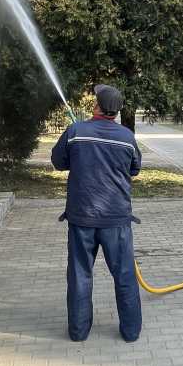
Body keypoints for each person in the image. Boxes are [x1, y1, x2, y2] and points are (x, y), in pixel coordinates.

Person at [51, 84, 143, 342]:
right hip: (116, 220)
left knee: (80, 275)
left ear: (96, 107)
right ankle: (131, 332)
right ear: (116, 111)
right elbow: (134, 169)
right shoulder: (127, 136)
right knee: (124, 275)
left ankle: (78, 332)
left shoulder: (76, 132)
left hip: (82, 219)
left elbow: (58, 162)